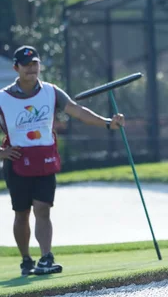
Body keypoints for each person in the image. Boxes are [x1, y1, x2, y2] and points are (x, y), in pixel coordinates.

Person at [1, 45, 125, 276]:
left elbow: (78, 112)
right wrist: (1, 152)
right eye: (26, 65)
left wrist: (108, 123)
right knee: (21, 213)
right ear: (16, 68)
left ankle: (46, 257)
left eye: (35, 64)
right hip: (17, 162)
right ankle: (26, 259)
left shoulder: (51, 92)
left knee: (43, 209)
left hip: (45, 159)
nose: (31, 69)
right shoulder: (3, 98)